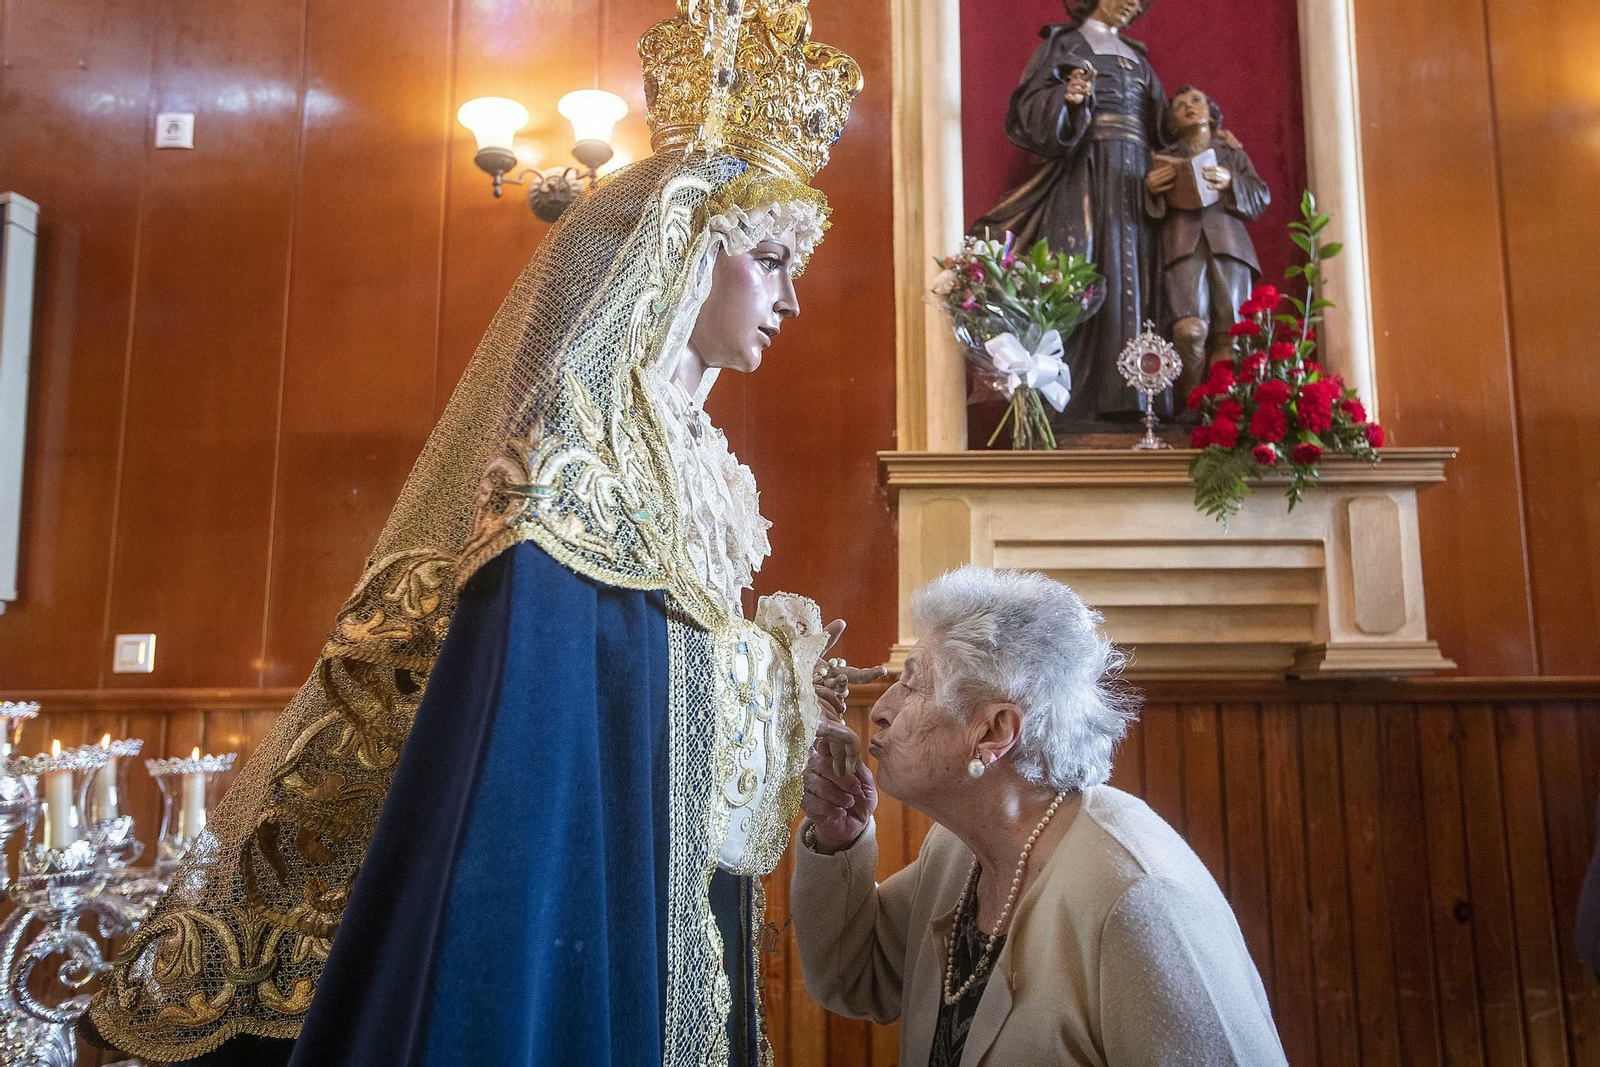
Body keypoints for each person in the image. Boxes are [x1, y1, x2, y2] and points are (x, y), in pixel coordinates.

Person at [86, 4, 871, 1066]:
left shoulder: (698, 467)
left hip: (669, 879)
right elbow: (533, 729)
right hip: (584, 876)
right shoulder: (574, 461)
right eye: (768, 258)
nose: (789, 297)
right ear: (681, 250)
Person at [791, 567, 1288, 1066]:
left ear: (994, 732)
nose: (880, 709)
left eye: (913, 685)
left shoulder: (1141, 897)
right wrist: (839, 837)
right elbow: (857, 977)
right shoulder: (956, 851)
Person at [971, 0, 1167, 424]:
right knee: (1079, 274)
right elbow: (1028, 111)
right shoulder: (1063, 43)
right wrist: (1068, 98)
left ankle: (1137, 402)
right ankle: (1074, 406)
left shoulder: (1139, 57)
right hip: (1085, 172)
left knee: (1139, 283)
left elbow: (1163, 128)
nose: (1133, 4)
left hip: (1137, 181)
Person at [1145, 86, 1271, 404]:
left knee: (1231, 332)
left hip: (1230, 246)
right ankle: (1190, 400)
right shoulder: (1162, 158)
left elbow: (1261, 195)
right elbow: (1140, 212)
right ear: (1171, 122)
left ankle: (1224, 406)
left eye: (1196, 101)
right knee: (1189, 331)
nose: (1189, 107)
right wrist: (1149, 189)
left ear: (1210, 112)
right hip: (1182, 246)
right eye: (1179, 106)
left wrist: (1231, 181)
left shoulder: (1231, 153)